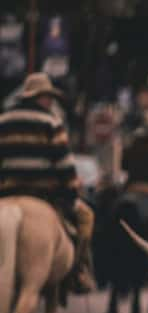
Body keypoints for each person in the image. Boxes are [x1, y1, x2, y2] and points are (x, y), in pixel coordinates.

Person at [0, 72, 95, 293]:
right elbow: (64, 165)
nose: (50, 101)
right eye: (48, 96)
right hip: (44, 195)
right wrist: (72, 190)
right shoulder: (51, 122)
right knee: (86, 218)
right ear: (40, 97)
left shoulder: (3, 121)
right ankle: (78, 273)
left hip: (6, 194)